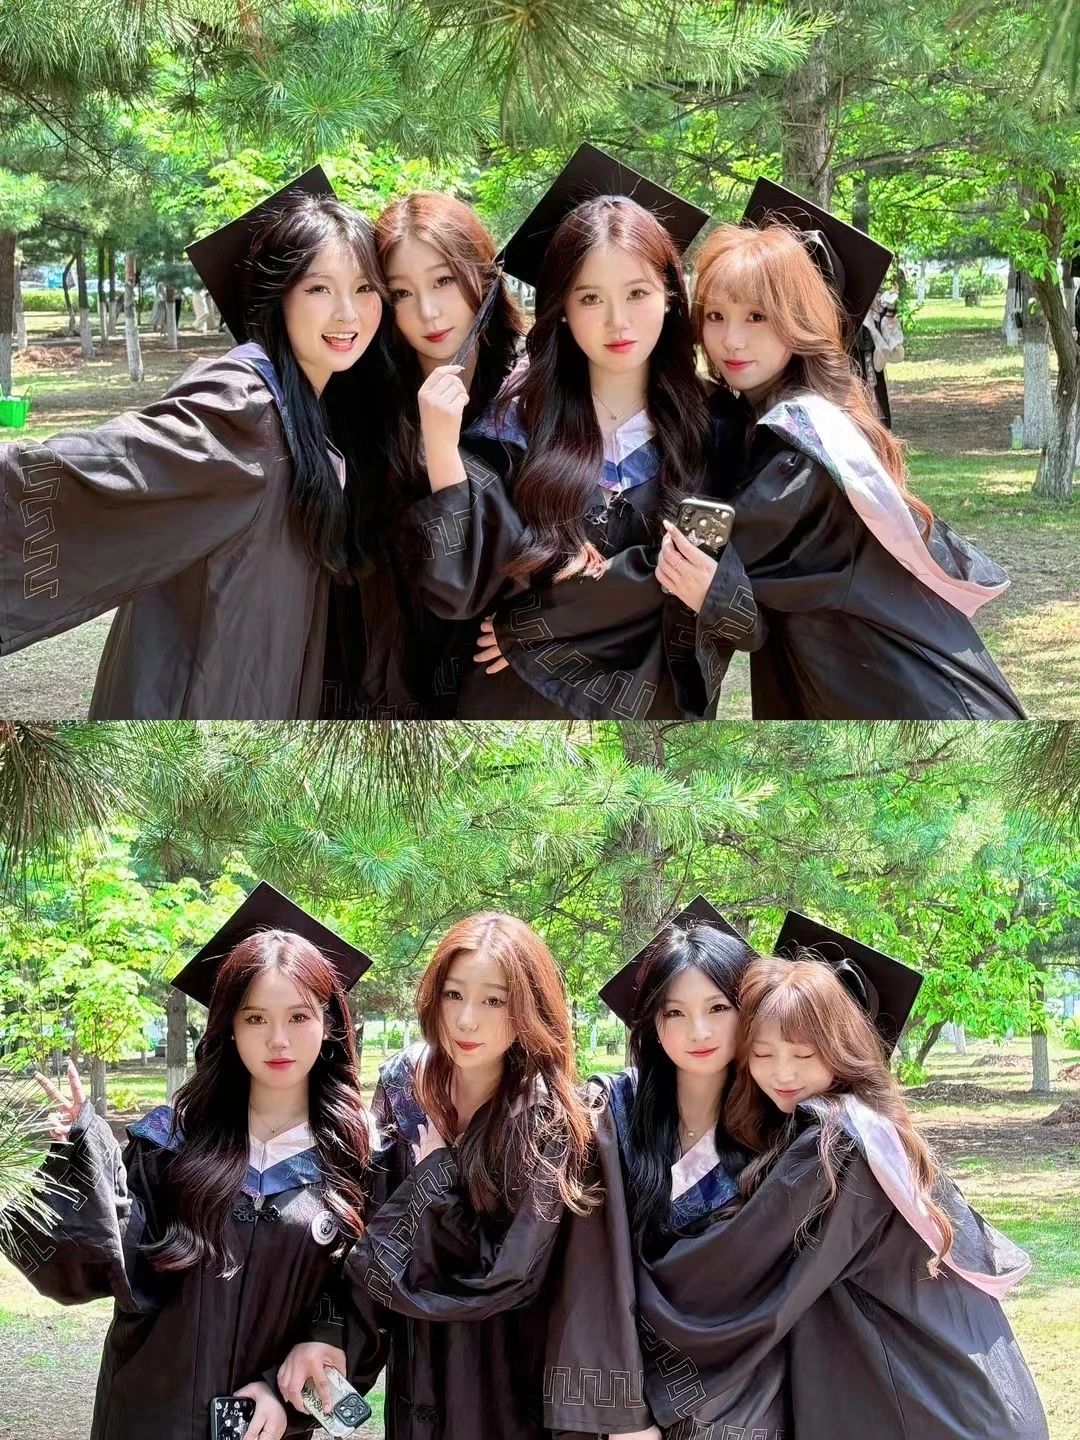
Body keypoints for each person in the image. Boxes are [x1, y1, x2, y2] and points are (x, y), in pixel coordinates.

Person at [636, 913, 1049, 1440]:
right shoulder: (872, 1126)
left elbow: (728, 1269)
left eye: (804, 1055)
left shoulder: (835, 1149)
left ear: (840, 1050)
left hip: (930, 1406)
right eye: (762, 1054)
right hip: (975, 1390)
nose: (782, 1073)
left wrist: (620, 1278)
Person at [0, 169, 387, 719]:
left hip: (259, 675)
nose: (347, 313)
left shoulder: (312, 403)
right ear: (279, 297)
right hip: (202, 692)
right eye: (319, 288)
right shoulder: (243, 409)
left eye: (364, 288)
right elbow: (106, 465)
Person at [1, 884, 381, 1440]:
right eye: (255, 1018)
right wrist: (84, 1159)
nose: (278, 1039)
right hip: (149, 1415)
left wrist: (285, 1396)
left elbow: (363, 1305)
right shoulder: (169, 1143)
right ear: (230, 1026)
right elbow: (96, 1269)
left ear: (328, 1025)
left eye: (299, 1016)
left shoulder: (357, 1159)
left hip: (264, 1427)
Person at [409, 144, 751, 719]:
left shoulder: (718, 428)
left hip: (649, 707)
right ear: (562, 308)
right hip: (522, 705)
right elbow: (462, 588)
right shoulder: (512, 423)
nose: (618, 322)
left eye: (637, 293)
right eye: (590, 298)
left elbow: (731, 596)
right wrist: (441, 452)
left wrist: (543, 620)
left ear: (670, 296)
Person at [280, 910, 651, 1439]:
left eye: (494, 1000)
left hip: (510, 1375)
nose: (467, 1020)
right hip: (418, 1374)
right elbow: (371, 1232)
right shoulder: (405, 1092)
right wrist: (329, 1332)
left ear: (529, 1007)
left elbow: (513, 1275)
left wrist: (434, 1175)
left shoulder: (553, 1121)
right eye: (454, 994)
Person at [668, 178, 1026, 718]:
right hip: (855, 677)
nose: (731, 340)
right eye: (715, 317)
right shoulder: (795, 415)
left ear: (798, 319)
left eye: (757, 316)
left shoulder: (801, 447)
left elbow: (722, 561)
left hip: (897, 689)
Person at [321, 190, 525, 717]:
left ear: (481, 275)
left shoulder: (531, 390)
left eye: (443, 281)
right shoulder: (359, 395)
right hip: (381, 656)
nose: (428, 312)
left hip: (490, 663)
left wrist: (441, 447)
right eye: (401, 293)